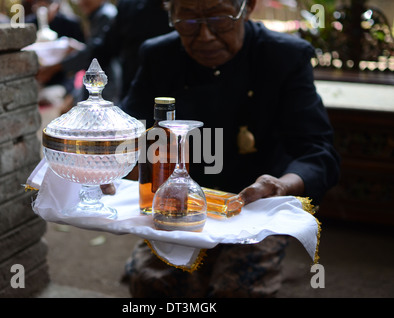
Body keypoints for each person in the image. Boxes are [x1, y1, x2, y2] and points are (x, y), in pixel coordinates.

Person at [119, 0, 341, 297]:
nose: (206, 36)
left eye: (220, 19)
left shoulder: (283, 56)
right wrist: (117, 162)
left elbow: (317, 151)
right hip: (182, 200)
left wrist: (279, 186)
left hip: (257, 202)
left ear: (248, 7)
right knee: (154, 282)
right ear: (169, 13)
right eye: (188, 21)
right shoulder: (159, 54)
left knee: (238, 288)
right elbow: (129, 128)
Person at [37, 0, 173, 103]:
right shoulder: (126, 6)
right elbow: (100, 50)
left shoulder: (107, 14)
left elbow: (100, 51)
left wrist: (58, 67)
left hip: (120, 86)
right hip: (132, 89)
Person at [37, 0, 119, 102]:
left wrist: (57, 67)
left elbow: (95, 53)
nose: (82, 2)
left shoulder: (105, 15)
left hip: (107, 85)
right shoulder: (98, 15)